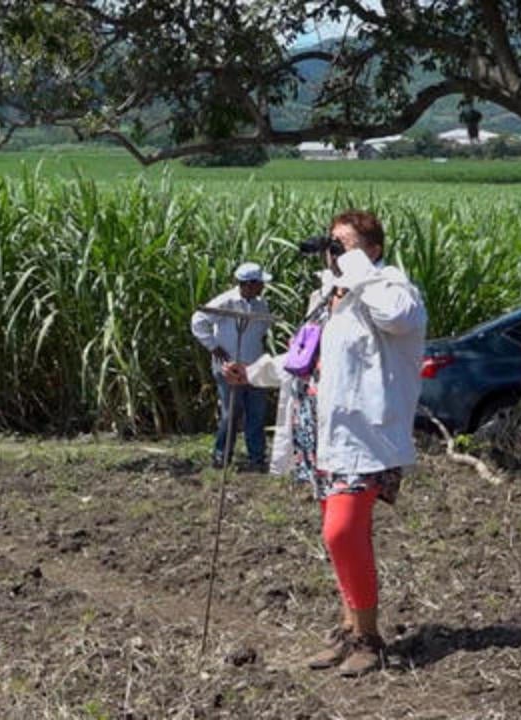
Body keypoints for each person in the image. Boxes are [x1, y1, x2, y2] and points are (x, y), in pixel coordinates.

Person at [228, 211, 426, 676]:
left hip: (364, 435)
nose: (332, 253)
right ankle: (349, 628)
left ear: (372, 250)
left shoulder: (392, 287)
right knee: (342, 540)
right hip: (319, 433)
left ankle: (369, 637)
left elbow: (399, 318)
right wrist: (253, 374)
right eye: (330, 246)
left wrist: (355, 266)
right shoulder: (326, 298)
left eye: (344, 244)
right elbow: (303, 359)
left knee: (340, 532)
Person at [191, 262, 272, 470]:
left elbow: (262, 328)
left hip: (254, 366)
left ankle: (257, 457)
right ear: (249, 284)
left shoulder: (260, 304)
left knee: (256, 412)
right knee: (232, 412)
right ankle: (221, 455)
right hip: (229, 367)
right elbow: (198, 320)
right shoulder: (226, 302)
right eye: (260, 283)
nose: (263, 287)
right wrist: (213, 346)